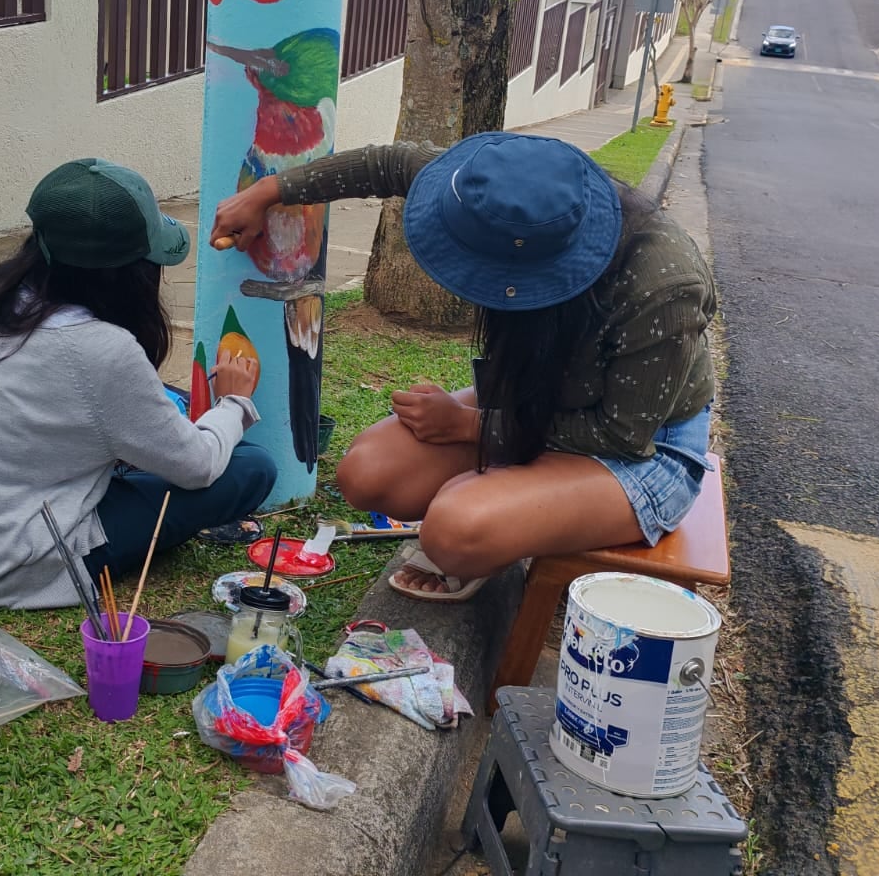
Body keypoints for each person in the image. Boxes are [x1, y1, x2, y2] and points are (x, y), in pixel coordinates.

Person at [210, 133, 715, 602]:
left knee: (454, 530)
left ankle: (502, 520)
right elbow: (385, 165)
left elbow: (619, 435)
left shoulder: (663, 283)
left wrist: (469, 425)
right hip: (535, 396)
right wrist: (268, 192)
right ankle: (513, 503)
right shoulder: (486, 191)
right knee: (366, 473)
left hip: (642, 448)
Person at [0, 158, 276, 609]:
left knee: (163, 427)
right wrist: (234, 401)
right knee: (251, 466)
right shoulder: (101, 349)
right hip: (5, 565)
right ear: (132, 273)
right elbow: (198, 466)